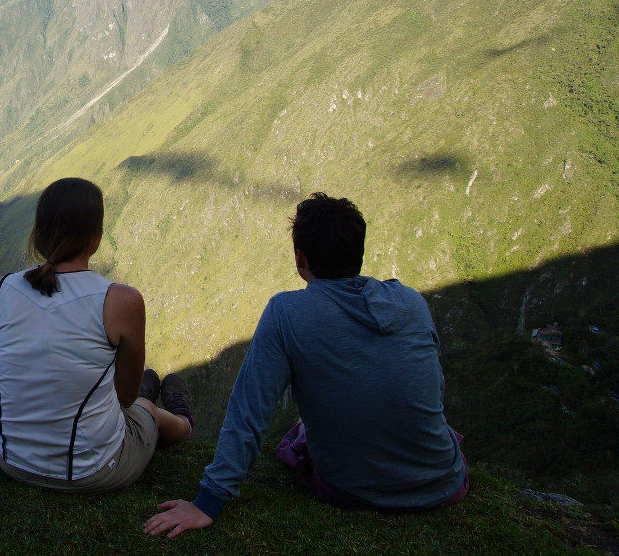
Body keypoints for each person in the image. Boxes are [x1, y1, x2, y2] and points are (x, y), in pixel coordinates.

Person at [144, 192, 468, 537]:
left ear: (300, 257)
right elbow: (432, 391)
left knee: (299, 436)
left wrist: (207, 503)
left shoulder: (286, 313)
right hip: (445, 483)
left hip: (351, 491)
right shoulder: (411, 301)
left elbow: (248, 414)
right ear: (359, 253)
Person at [0, 177, 194, 492]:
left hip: (11, 459)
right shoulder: (119, 300)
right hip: (87, 470)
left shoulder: (1, 288)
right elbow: (124, 398)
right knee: (143, 410)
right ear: (95, 239)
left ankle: (150, 396)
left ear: (39, 234)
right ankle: (183, 422)